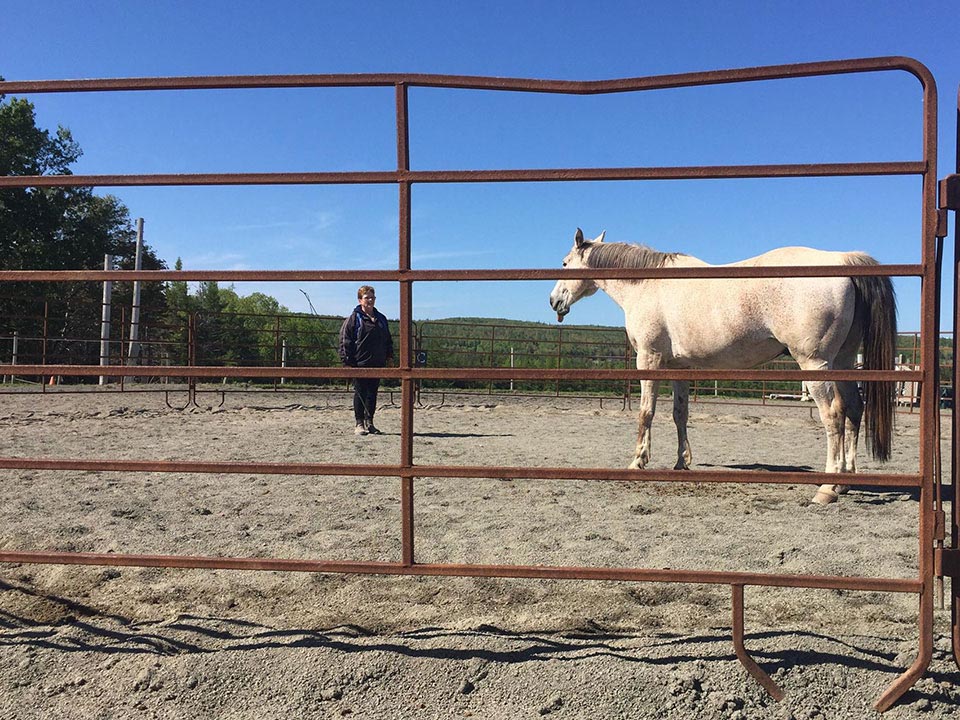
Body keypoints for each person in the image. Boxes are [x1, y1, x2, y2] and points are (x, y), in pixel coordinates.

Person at [338, 285, 393, 436]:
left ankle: (370, 422)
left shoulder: (381, 319)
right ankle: (359, 422)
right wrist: (347, 361)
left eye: (372, 297)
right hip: (359, 362)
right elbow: (345, 340)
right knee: (360, 392)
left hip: (377, 362)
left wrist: (389, 356)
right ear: (360, 300)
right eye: (367, 297)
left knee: (372, 393)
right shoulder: (354, 319)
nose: (370, 300)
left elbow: (388, 339)